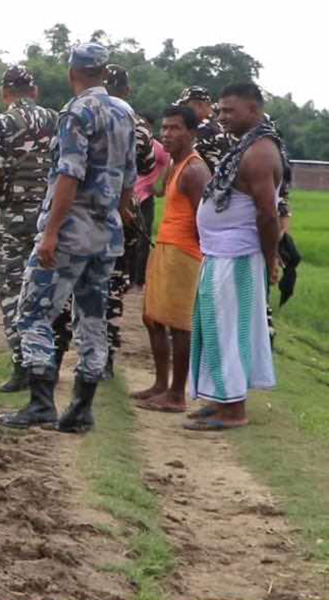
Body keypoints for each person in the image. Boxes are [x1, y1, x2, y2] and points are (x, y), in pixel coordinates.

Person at [4, 43, 137, 433]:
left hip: (70, 232)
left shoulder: (77, 112)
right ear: (104, 72)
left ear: (72, 73)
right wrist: (118, 214)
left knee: (32, 312)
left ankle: (41, 402)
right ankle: (81, 409)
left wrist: (50, 233)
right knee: (92, 319)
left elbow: (69, 175)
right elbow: (129, 179)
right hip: (106, 233)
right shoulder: (125, 113)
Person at [0, 65, 72, 394]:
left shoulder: (0, 123)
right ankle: (51, 361)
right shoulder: (58, 120)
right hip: (53, 218)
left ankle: (24, 365)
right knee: (51, 290)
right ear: (35, 91)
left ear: (5, 93)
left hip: (13, 220)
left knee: (13, 290)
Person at [185, 83, 284, 432]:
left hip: (237, 255)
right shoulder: (244, 145)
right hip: (220, 252)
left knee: (230, 330)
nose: (221, 116)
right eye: (220, 110)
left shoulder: (259, 152)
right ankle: (219, 398)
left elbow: (268, 214)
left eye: (230, 111)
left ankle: (234, 410)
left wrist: (270, 259)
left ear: (253, 111)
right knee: (214, 325)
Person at [131, 106, 209, 413]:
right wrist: (169, 157)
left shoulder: (194, 169)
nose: (167, 134)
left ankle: (177, 394)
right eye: (164, 129)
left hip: (184, 253)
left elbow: (207, 219)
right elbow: (159, 190)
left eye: (175, 128)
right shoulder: (178, 165)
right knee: (152, 318)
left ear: (191, 132)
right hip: (166, 247)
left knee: (179, 325)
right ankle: (161, 385)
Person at [102, 64, 158, 379]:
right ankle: (106, 356)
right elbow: (148, 163)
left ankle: (70, 350)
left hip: (82, 211)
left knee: (75, 284)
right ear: (127, 90)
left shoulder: (83, 113)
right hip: (122, 211)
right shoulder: (138, 126)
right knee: (112, 286)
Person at [130, 118, 171, 287]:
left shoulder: (157, 148)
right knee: (129, 240)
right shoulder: (128, 141)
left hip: (145, 198)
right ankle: (129, 277)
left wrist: (159, 186)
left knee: (143, 239)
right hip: (128, 198)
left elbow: (170, 162)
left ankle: (139, 279)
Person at [178, 86, 234, 175]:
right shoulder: (217, 124)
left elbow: (181, 156)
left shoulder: (205, 128)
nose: (182, 112)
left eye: (185, 107)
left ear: (199, 105)